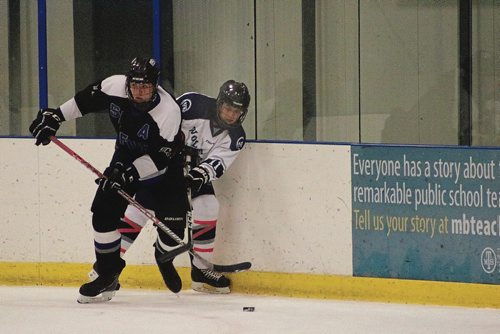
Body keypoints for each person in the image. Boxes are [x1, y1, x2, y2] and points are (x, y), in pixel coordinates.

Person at [29, 57, 189, 303]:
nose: (139, 91)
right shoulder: (114, 86)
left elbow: (160, 158)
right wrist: (56, 117)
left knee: (172, 235)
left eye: (146, 87)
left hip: (166, 171)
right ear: (127, 83)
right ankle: (108, 274)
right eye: (135, 86)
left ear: (155, 86)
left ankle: (163, 256)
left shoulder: (168, 112)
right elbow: (83, 102)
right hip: (125, 155)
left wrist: (128, 174)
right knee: (103, 212)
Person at [118, 80, 250, 294]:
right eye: (228, 108)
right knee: (138, 210)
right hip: (164, 167)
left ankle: (200, 270)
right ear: (219, 103)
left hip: (192, 176)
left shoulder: (236, 137)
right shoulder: (193, 103)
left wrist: (197, 176)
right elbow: (164, 121)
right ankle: (109, 267)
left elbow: (218, 163)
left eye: (237, 111)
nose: (231, 115)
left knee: (208, 206)